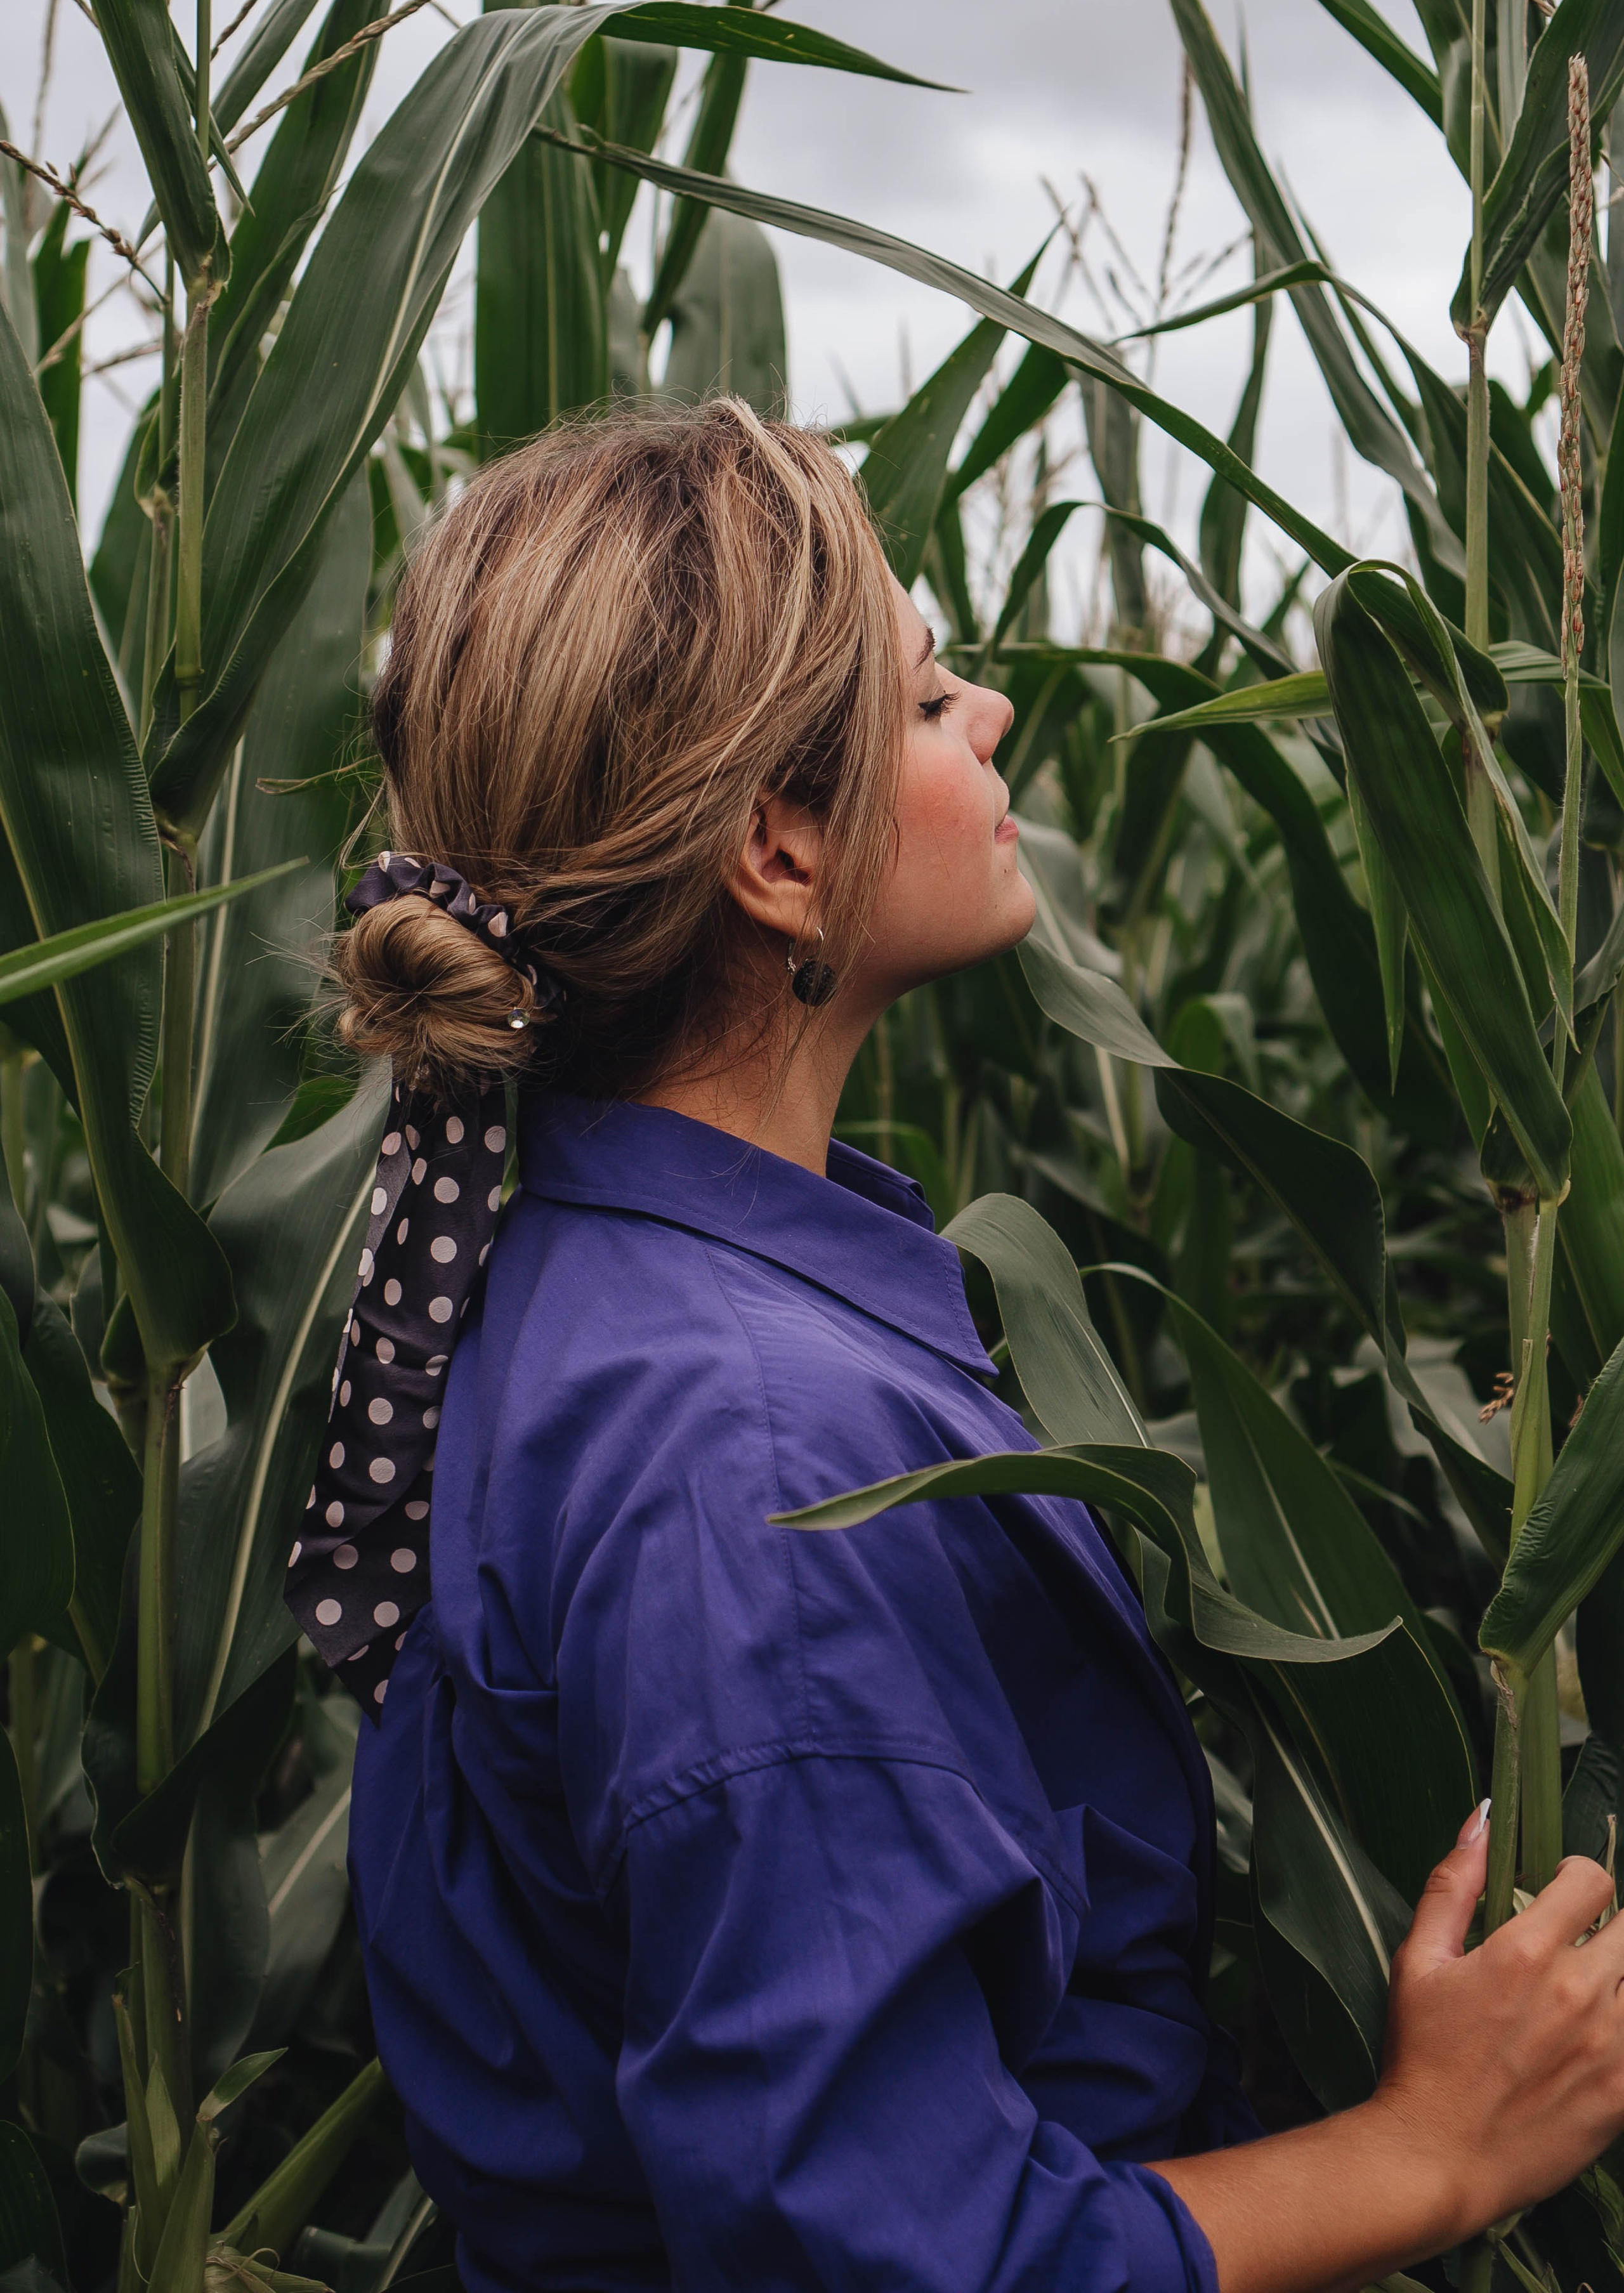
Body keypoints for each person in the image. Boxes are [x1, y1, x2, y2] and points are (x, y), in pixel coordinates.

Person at [288, 399, 1624, 2293]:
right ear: (776, 849)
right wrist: (1433, 2149)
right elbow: (906, 2254)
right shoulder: (754, 1461)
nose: (991, 710)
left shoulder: (587, 1279)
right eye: (924, 700)